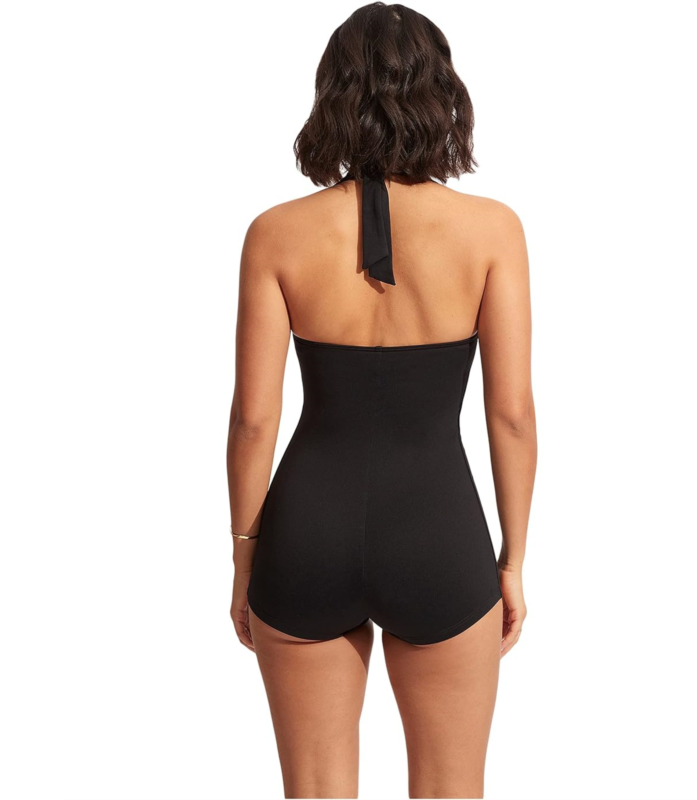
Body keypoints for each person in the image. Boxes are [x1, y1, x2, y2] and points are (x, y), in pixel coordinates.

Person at [226, 3, 537, 797]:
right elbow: (510, 414)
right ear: (441, 96)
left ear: (332, 95)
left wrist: (244, 552)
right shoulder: (492, 231)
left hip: (304, 530)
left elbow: (254, 419)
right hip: (439, 529)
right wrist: (512, 559)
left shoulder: (275, 233)